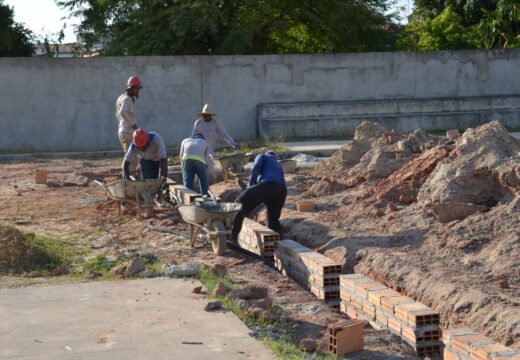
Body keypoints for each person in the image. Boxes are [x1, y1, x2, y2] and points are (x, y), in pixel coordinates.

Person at [231, 150, 286, 241]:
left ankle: (232, 238)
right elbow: (277, 182)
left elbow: (256, 167)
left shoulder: (262, 156)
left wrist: (249, 186)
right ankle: (280, 245)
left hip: (268, 184)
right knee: (273, 220)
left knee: (240, 205)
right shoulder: (278, 166)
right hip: (282, 191)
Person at [192, 104, 239, 182]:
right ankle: (198, 189)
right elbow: (193, 136)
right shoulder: (198, 122)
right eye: (204, 115)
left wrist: (233, 143)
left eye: (207, 115)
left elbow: (224, 134)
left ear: (211, 116)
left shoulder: (215, 124)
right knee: (197, 172)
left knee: (210, 172)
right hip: (197, 152)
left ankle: (212, 186)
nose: (205, 117)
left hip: (208, 153)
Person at [116, 76, 143, 173]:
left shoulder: (121, 98)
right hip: (128, 131)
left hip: (122, 130)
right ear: (131, 88)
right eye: (137, 89)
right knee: (131, 158)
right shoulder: (127, 99)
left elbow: (118, 114)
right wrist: (132, 124)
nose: (138, 91)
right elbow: (123, 112)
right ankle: (130, 181)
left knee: (129, 156)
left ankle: (130, 178)